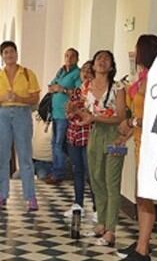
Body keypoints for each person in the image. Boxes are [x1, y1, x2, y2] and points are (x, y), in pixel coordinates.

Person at [114, 34, 157, 261]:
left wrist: (133, 123)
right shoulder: (142, 77)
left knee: (144, 197)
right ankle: (142, 242)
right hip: (138, 142)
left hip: (150, 144)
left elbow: (155, 117)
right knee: (140, 195)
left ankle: (143, 251)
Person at [0, 41, 41, 212]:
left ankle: (30, 196)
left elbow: (35, 99)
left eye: (12, 52)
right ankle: (2, 193)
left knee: (24, 155)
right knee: (2, 155)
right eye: (6, 52)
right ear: (2, 56)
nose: (9, 55)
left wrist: (19, 98)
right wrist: (2, 98)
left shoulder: (27, 74)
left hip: (22, 114)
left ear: (17, 54)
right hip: (2, 114)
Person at [79, 50, 125, 246]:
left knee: (112, 181)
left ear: (112, 66)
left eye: (107, 59)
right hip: (95, 134)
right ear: (93, 64)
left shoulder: (118, 87)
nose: (102, 62)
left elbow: (121, 117)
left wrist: (95, 117)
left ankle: (111, 230)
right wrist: (75, 111)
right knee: (96, 178)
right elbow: (86, 113)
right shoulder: (86, 87)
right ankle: (101, 223)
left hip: (115, 135)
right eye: (99, 58)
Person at [45, 48, 81, 186]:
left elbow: (79, 92)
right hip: (55, 113)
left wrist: (63, 90)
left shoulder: (77, 74)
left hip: (65, 114)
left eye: (72, 56)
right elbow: (51, 85)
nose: (68, 58)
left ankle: (58, 173)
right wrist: (54, 87)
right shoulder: (61, 71)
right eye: (66, 55)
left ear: (77, 59)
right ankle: (55, 170)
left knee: (59, 144)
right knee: (54, 143)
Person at [65, 60, 94, 217]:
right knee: (77, 170)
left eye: (90, 71)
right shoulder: (77, 91)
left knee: (91, 173)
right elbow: (70, 110)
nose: (86, 74)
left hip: (88, 135)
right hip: (74, 134)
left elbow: (90, 113)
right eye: (84, 71)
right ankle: (78, 204)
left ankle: (97, 208)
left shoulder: (95, 92)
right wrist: (71, 111)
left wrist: (77, 110)